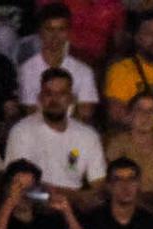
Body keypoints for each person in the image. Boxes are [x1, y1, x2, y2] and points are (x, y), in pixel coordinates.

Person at [7, 70, 102, 202]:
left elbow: (99, 184)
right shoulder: (21, 131)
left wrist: (84, 199)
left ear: (71, 99)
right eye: (48, 93)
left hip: (76, 210)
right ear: (40, 98)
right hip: (36, 208)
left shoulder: (88, 135)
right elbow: (20, 188)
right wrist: (73, 197)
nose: (54, 100)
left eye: (61, 94)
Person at [102, 94, 153, 214]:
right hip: (127, 207)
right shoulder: (118, 144)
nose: (146, 116)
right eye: (140, 110)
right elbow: (112, 187)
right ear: (129, 116)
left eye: (151, 111)